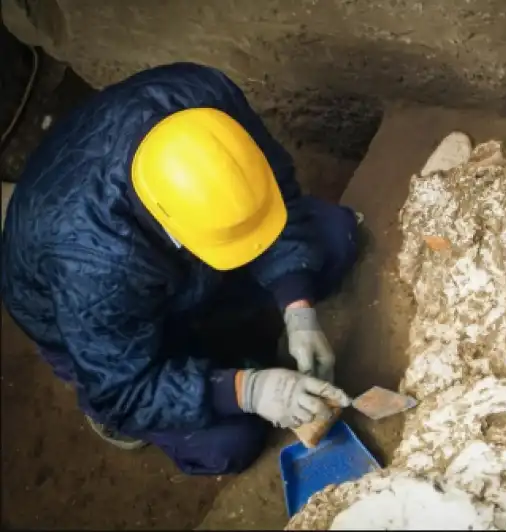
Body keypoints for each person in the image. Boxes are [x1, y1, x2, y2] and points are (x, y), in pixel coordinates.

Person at [0, 62, 359, 475]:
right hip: (92, 326)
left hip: (161, 258)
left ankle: (229, 339)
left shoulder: (204, 100)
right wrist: (249, 391)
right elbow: (124, 388)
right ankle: (163, 378)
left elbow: (274, 189)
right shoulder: (92, 264)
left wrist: (299, 309)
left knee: (333, 238)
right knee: (225, 445)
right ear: (172, 231)